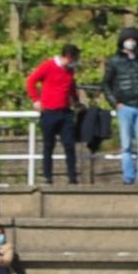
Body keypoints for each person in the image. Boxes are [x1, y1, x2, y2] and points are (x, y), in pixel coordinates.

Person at [103, 29, 138, 187]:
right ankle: (128, 177)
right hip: (124, 107)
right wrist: (115, 103)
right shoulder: (114, 61)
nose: (131, 42)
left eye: (133, 39)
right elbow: (106, 83)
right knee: (126, 145)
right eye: (127, 39)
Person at [27, 44, 82, 185]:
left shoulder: (70, 71)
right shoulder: (48, 66)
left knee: (69, 144)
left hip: (65, 112)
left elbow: (71, 87)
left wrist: (76, 102)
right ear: (69, 57)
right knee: (48, 145)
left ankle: (72, 176)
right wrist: (36, 100)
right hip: (49, 112)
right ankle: (47, 176)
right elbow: (31, 81)